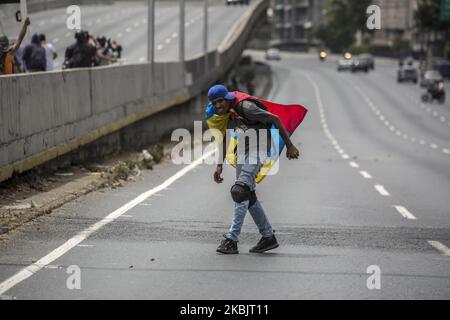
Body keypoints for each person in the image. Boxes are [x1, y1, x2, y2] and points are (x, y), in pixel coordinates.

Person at [205, 84, 307, 254]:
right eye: (214, 103)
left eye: (220, 101)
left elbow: (274, 119)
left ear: (227, 99)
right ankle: (268, 237)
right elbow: (222, 137)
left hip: (259, 147)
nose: (217, 106)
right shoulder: (221, 114)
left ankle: (231, 239)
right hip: (244, 148)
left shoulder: (246, 107)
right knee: (247, 194)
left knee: (240, 190)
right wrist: (219, 165)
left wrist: (290, 146)